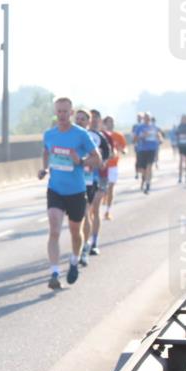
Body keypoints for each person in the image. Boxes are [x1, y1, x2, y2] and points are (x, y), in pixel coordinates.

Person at [40, 98, 101, 290]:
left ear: (71, 112)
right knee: (55, 230)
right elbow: (46, 152)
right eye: (58, 111)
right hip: (55, 190)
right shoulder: (49, 134)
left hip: (76, 191)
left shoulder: (81, 134)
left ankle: (74, 260)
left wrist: (81, 161)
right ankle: (55, 273)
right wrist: (44, 169)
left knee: (76, 233)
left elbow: (97, 160)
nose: (62, 115)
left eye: (65, 112)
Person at [79, 109, 112, 264]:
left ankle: (93, 243)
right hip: (78, 180)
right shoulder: (73, 136)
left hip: (97, 179)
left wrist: (97, 163)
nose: (92, 121)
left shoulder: (100, 138)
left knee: (93, 210)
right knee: (84, 214)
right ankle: (84, 244)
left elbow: (107, 155)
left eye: (94, 119)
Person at [102, 116, 126, 220]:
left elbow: (124, 148)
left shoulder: (118, 135)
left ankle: (107, 212)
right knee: (103, 189)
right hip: (102, 166)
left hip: (113, 165)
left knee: (111, 187)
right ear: (104, 123)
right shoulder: (101, 135)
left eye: (112, 122)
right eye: (108, 122)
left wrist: (123, 151)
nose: (111, 124)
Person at [133, 112, 161, 194]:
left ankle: (148, 183)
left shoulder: (154, 127)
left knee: (149, 166)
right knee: (142, 169)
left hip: (152, 149)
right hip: (141, 149)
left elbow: (159, 136)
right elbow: (134, 140)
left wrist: (160, 139)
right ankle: (145, 178)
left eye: (148, 117)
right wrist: (141, 136)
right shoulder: (139, 127)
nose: (147, 119)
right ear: (143, 119)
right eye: (145, 117)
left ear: (150, 118)